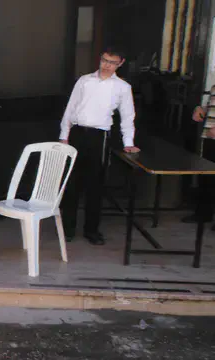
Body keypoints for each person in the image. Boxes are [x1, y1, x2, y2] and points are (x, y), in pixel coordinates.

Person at [59, 47, 138, 245]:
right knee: (71, 182)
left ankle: (91, 230)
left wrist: (129, 142)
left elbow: (128, 116)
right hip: (77, 132)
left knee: (95, 184)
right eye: (104, 60)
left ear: (120, 63)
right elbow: (71, 107)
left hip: (99, 136)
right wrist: (64, 135)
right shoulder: (84, 80)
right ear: (100, 59)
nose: (106, 65)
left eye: (112, 62)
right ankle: (67, 229)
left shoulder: (122, 87)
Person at [182, 48, 215, 232]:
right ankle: (203, 213)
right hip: (209, 139)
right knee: (206, 176)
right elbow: (212, 106)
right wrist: (200, 109)